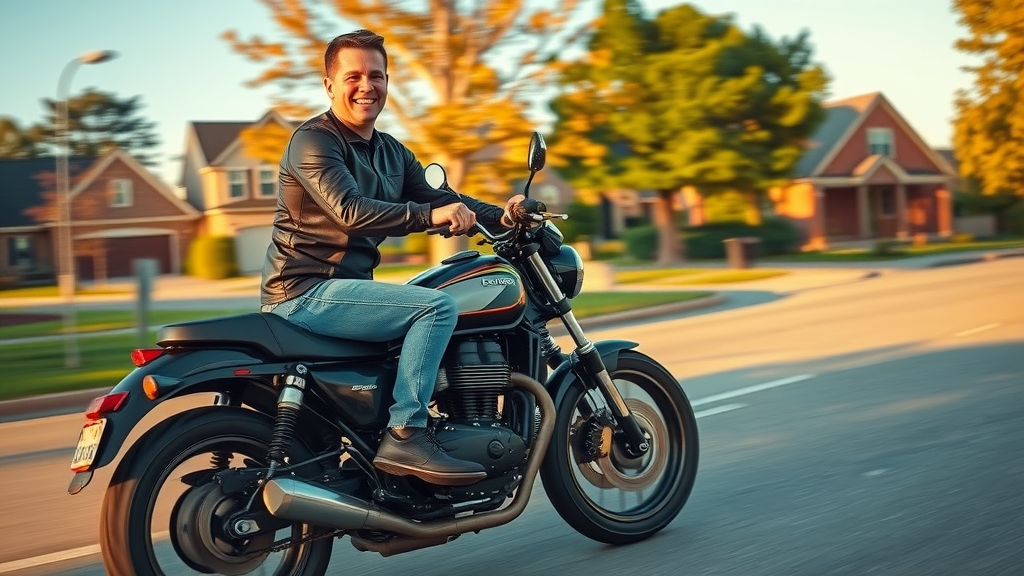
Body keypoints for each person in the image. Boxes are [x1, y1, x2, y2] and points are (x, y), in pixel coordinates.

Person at [260, 29, 523, 486]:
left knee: (426, 302)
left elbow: (442, 195)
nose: (367, 85)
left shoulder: (391, 152)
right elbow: (351, 211)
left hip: (344, 291)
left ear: (387, 82)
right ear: (329, 84)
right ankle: (407, 434)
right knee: (437, 307)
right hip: (304, 293)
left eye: (376, 75)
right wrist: (429, 215)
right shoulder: (313, 142)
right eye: (353, 75)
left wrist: (504, 215)